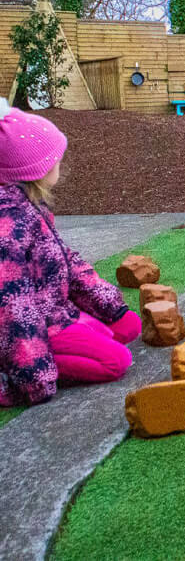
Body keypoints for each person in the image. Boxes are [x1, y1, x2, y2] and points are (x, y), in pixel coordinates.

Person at [0, 100, 141, 406]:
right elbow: (12, 307)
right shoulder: (7, 226)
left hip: (50, 311)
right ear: (30, 168)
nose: (59, 164)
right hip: (26, 333)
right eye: (54, 159)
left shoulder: (30, 205)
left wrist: (111, 307)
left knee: (122, 330)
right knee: (116, 361)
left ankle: (65, 344)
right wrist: (34, 376)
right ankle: (23, 371)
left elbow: (68, 263)